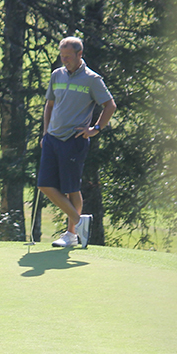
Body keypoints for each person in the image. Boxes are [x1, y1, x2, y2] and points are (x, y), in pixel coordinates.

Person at [38, 36, 117, 248]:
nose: (64, 61)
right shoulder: (57, 75)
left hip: (74, 140)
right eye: (62, 57)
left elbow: (110, 105)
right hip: (53, 138)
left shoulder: (92, 79)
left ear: (79, 55)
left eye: (68, 57)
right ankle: (79, 220)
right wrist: (45, 133)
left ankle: (71, 234)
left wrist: (95, 129)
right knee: (45, 185)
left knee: (72, 188)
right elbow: (49, 105)